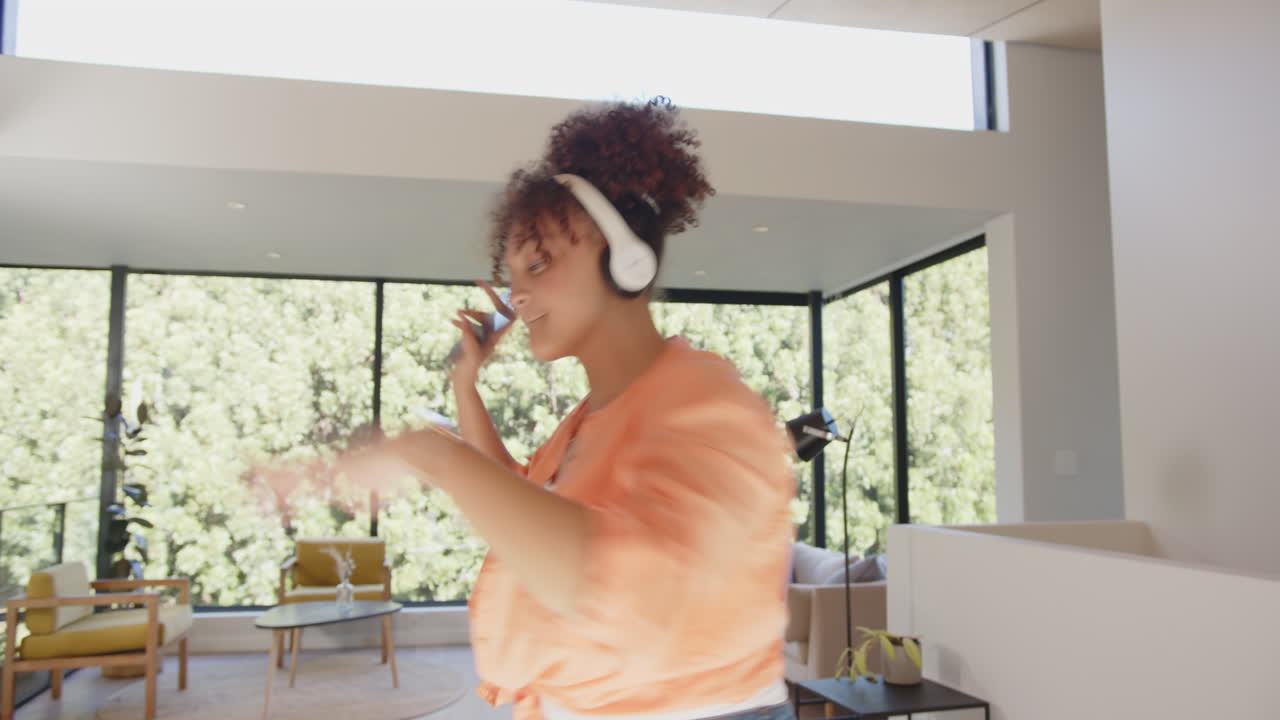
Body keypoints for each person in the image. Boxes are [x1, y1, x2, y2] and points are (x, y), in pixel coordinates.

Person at [258, 97, 798, 720]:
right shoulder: (593, 417)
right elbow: (525, 510)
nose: (518, 293)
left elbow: (630, 589)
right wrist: (467, 385)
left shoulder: (709, 401)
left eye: (538, 263)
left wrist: (427, 452)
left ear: (626, 263)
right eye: (512, 271)